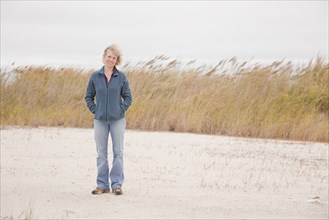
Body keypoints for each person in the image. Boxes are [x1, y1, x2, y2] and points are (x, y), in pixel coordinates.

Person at [85, 44, 132, 195]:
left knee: (118, 152)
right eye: (109, 56)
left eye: (114, 57)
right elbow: (88, 97)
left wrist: (120, 110)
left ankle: (117, 184)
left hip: (117, 120)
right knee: (101, 153)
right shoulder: (95, 76)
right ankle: (102, 185)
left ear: (116, 60)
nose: (111, 59)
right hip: (100, 120)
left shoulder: (121, 77)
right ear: (104, 57)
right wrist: (95, 110)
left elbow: (128, 98)